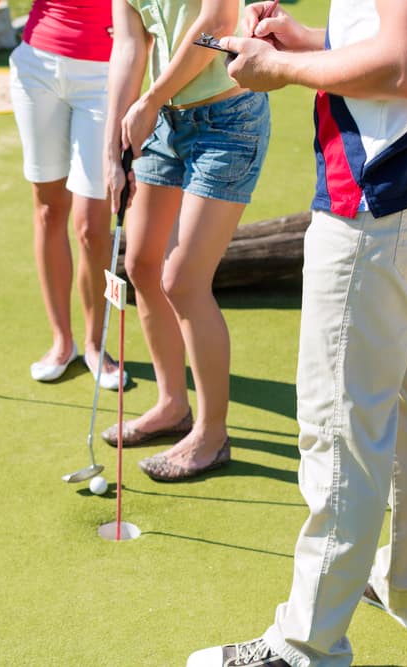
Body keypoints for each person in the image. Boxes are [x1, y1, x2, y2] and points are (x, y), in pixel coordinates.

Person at [186, 0, 407, 665]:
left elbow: (405, 67)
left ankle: (307, 644)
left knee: (342, 424)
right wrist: (308, 42)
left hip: (386, 188)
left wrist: (280, 65)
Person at [0, 0, 128, 390]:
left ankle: (97, 346)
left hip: (104, 75)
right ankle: (62, 341)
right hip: (37, 71)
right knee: (49, 210)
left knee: (91, 226)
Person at [104, 0, 270, 482]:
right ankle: (171, 404)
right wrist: (111, 150)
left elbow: (217, 24)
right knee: (142, 265)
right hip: (163, 125)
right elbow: (131, 45)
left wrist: (150, 100)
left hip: (227, 121)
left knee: (182, 281)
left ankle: (211, 434)